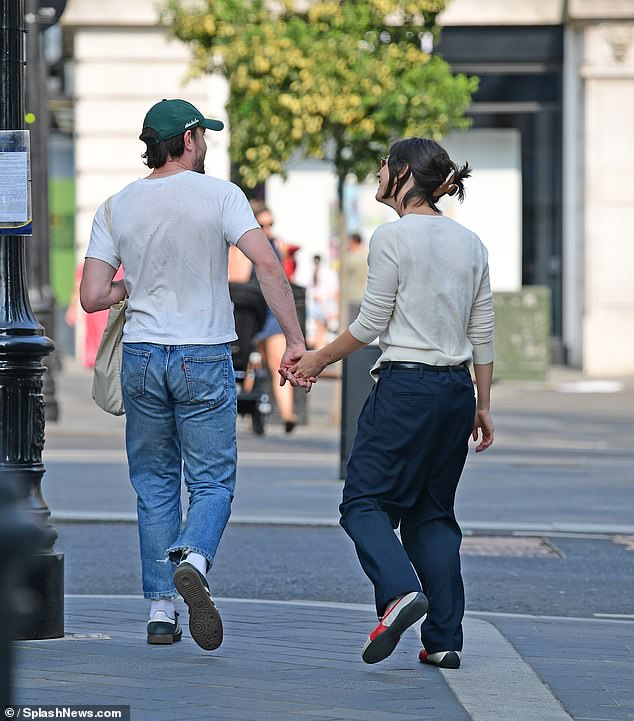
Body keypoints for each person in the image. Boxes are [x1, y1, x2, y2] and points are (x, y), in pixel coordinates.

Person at [80, 98, 308, 650]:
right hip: (202, 354)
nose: (205, 144)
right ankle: (196, 561)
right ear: (187, 139)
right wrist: (296, 342)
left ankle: (161, 610)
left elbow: (92, 296)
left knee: (154, 483)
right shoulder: (221, 195)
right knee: (210, 481)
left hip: (142, 357)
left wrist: (133, 286)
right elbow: (269, 267)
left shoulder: (117, 205)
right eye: (202, 135)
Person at [284, 137, 494, 669]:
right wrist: (482, 404)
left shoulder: (392, 238)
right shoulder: (471, 243)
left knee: (362, 503)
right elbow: (483, 331)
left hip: (406, 390)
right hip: (455, 393)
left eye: (383, 165)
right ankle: (444, 639)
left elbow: (372, 323)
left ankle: (399, 592)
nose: (377, 173)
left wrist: (318, 359)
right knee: (432, 516)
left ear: (401, 174)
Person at [228, 202, 298, 433]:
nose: (267, 230)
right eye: (262, 225)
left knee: (279, 357)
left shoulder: (274, 245)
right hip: (246, 310)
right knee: (246, 354)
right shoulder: (239, 247)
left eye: (270, 225)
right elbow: (235, 279)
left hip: (268, 310)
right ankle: (253, 401)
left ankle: (288, 413)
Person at [65, 261, 124, 368]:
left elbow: (77, 287)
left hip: (97, 309)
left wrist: (72, 308)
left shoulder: (88, 266)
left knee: (98, 337)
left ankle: (99, 362)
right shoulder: (122, 265)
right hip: (111, 308)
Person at [306, 253, 339, 349]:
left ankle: (318, 353)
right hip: (324, 304)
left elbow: (311, 290)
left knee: (319, 332)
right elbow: (334, 291)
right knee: (322, 332)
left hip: (318, 303)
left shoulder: (315, 272)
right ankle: (319, 354)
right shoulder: (329, 272)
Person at [343, 232, 368, 322]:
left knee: (352, 324)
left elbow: (345, 273)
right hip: (365, 295)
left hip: (353, 295)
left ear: (353, 241)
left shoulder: (351, 257)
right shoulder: (366, 255)